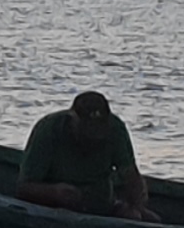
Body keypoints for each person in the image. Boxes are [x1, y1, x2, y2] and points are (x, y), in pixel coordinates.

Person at [15, 90, 158, 220]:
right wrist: (55, 193)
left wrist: (136, 204)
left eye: (99, 131)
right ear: (72, 118)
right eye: (87, 131)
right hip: (52, 208)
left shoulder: (116, 129)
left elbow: (130, 175)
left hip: (102, 205)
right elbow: (23, 188)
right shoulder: (48, 130)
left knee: (144, 218)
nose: (92, 138)